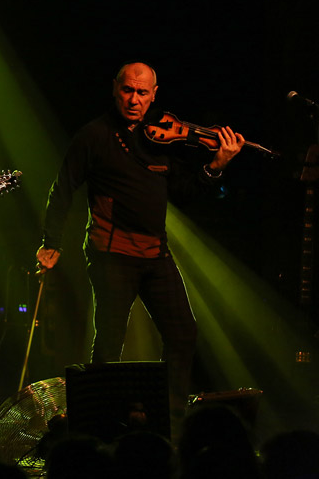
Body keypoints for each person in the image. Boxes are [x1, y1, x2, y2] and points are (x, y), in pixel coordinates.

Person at [35, 62, 245, 430]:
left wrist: (217, 164)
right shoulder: (94, 135)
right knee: (110, 339)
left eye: (142, 92)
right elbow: (63, 188)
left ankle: (171, 420)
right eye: (128, 90)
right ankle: (96, 422)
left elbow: (183, 192)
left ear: (154, 94)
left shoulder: (162, 137)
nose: (134, 99)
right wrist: (51, 241)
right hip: (110, 252)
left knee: (183, 333)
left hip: (155, 254)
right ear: (115, 89)